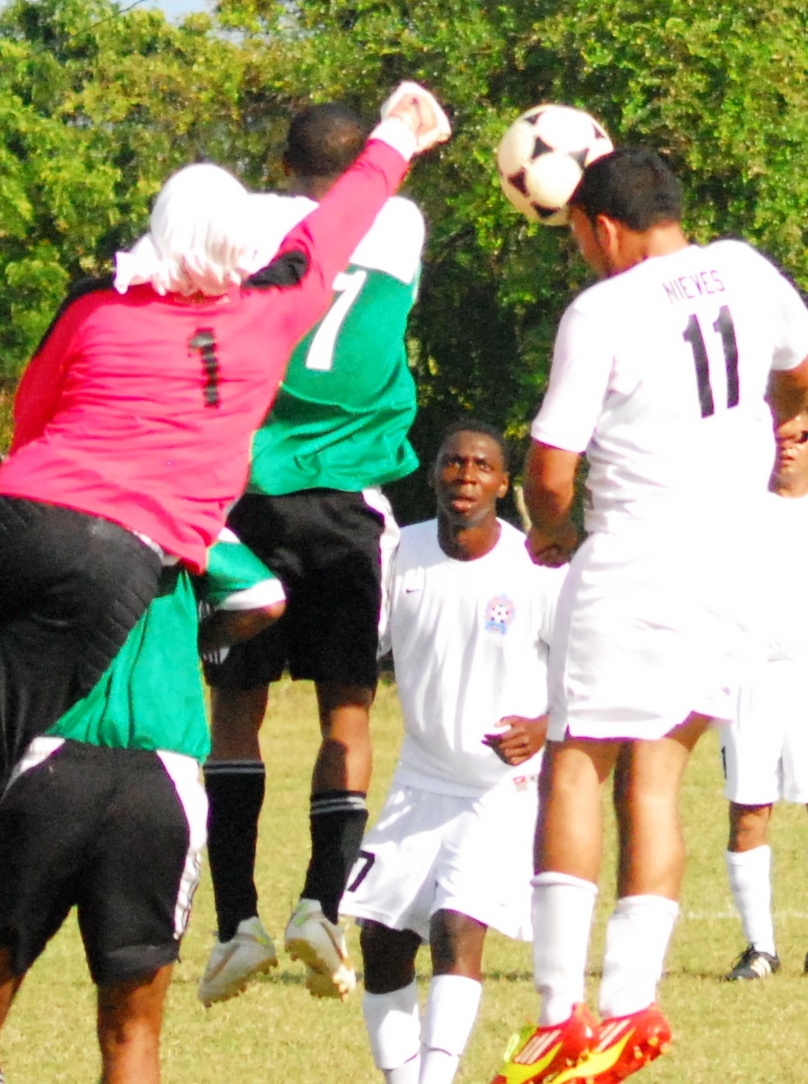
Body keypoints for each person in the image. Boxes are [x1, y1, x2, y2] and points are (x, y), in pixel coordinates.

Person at [0, 83, 451, 915]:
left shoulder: (97, 303)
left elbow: (33, 415)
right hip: (115, 549)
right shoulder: (264, 316)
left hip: (13, 517)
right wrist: (396, 139)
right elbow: (337, 226)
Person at [491, 148, 808, 1084]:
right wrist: (784, 421)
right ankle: (633, 1004)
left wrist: (550, 535)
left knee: (577, 768)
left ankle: (560, 1016)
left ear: (602, 227)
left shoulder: (605, 308)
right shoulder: (748, 268)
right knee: (660, 781)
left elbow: (551, 467)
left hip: (637, 555)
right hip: (733, 559)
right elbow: (800, 370)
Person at [197, 102, 427, 1004]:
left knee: (236, 712)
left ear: (279, 162)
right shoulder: (400, 221)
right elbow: (372, 191)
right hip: (346, 505)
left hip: (246, 497)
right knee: (349, 717)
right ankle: (320, 907)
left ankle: (233, 923)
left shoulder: (248, 223)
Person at [0, 534, 285, 1084]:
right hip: (163, 779)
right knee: (134, 1033)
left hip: (46, 760)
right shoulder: (183, 508)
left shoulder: (56, 503)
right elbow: (263, 596)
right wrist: (192, 641)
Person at [340, 421, 563, 1084]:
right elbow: (362, 648)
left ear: (503, 481)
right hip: (420, 778)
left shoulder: (534, 568)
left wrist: (546, 725)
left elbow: (586, 671)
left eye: (481, 465)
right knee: (381, 941)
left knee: (455, 926)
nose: (466, 475)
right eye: (453, 462)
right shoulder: (399, 553)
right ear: (434, 473)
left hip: (501, 787)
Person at [719, 407, 808, 981]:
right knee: (749, 812)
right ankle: (761, 949)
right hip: (748, 675)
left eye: (801, 438)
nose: (789, 448)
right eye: (780, 439)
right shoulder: (735, 509)